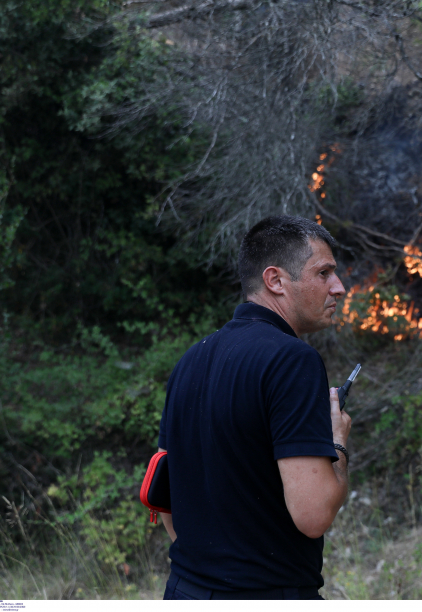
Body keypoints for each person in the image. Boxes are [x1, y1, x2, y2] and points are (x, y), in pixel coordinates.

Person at [157, 215, 352, 600]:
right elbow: (313, 516)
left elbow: (166, 499)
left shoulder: (191, 359)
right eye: (324, 273)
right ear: (275, 280)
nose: (339, 287)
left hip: (184, 590)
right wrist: (338, 444)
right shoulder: (293, 361)